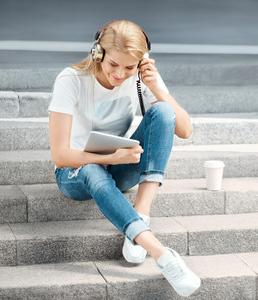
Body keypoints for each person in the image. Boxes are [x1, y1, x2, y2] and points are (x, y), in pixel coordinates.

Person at [48, 19, 200, 297]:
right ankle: (162, 255)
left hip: (117, 165)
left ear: (142, 61)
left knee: (164, 112)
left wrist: (157, 89)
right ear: (98, 53)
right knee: (92, 167)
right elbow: (59, 154)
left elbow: (185, 130)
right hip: (74, 173)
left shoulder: (140, 75)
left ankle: (141, 213)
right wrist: (112, 158)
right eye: (113, 65)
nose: (120, 74)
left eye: (130, 67)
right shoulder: (70, 81)